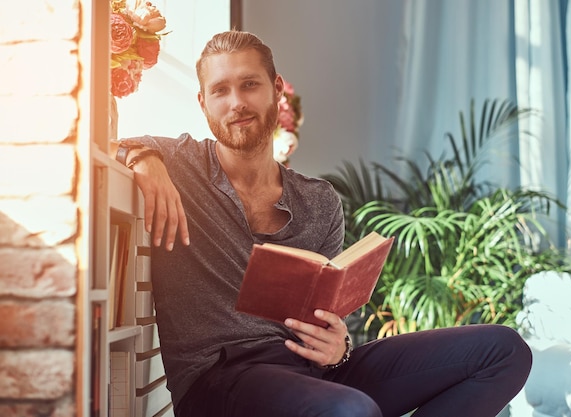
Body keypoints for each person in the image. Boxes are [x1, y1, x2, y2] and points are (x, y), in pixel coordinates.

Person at [111, 30, 532, 417]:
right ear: (203, 104)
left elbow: (327, 314)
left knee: (504, 350)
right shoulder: (182, 163)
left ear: (276, 90)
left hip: (311, 371)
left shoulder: (318, 200)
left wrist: (340, 348)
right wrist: (143, 159)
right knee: (350, 411)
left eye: (249, 84)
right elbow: (107, 142)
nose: (236, 102)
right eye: (220, 90)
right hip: (221, 379)